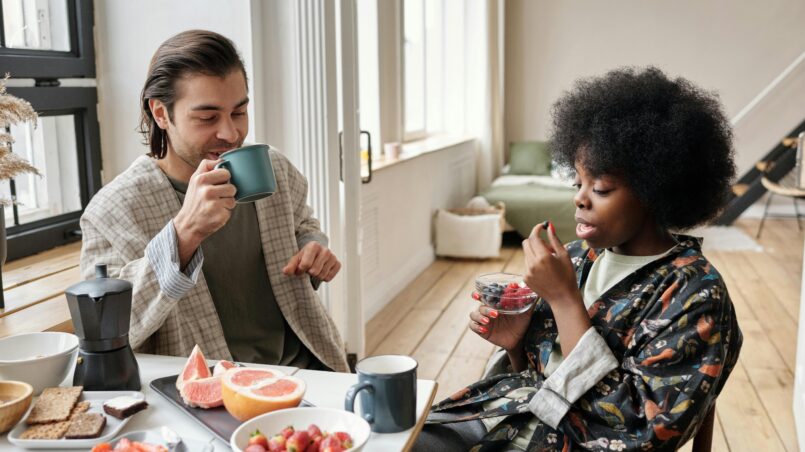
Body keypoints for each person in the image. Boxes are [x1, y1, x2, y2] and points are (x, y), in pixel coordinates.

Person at [418, 67, 742, 451]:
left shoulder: (695, 296)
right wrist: (515, 346)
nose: (580, 198)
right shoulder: (576, 258)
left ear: (656, 190)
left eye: (601, 188)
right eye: (578, 183)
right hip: (507, 421)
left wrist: (563, 299)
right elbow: (543, 379)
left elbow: (642, 431)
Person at [79, 30, 349, 372]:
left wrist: (313, 248)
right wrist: (184, 234)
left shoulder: (273, 168)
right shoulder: (112, 211)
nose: (231, 133)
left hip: (310, 369)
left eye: (239, 112)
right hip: (205, 393)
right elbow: (102, 331)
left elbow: (302, 225)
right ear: (161, 114)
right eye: (207, 117)